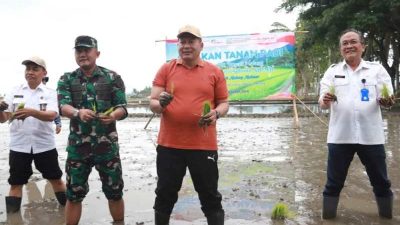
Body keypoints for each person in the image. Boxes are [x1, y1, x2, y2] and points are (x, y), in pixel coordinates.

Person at [150, 25, 229, 225]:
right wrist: (161, 103)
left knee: (210, 195)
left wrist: (216, 113)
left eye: (191, 41)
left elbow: (224, 103)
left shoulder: (214, 71)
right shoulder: (166, 69)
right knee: (165, 193)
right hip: (169, 145)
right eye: (182, 42)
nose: (186, 46)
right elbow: (153, 104)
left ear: (200, 45)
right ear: (178, 45)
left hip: (203, 146)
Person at [319, 28, 395, 219]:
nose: (349, 46)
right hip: (339, 137)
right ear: (340, 49)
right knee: (333, 183)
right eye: (344, 43)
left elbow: (386, 98)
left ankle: (386, 218)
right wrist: (325, 100)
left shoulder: (376, 70)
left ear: (363, 46)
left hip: (371, 136)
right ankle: (328, 218)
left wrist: (386, 101)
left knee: (381, 182)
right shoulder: (332, 71)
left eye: (353, 42)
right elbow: (322, 102)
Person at [57, 35, 128, 225]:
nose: (82, 54)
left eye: (86, 50)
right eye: (78, 51)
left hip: (107, 148)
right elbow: (63, 106)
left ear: (97, 53)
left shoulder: (112, 77)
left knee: (114, 192)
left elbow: (122, 106)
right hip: (78, 148)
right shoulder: (67, 79)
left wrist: (113, 116)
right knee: (73, 194)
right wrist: (78, 112)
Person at [0, 56, 66, 213]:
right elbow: (4, 119)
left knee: (56, 179)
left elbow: (52, 115)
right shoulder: (14, 91)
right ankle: (13, 219)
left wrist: (31, 112)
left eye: (35, 69)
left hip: (44, 145)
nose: (30, 72)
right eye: (28, 69)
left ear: (44, 72)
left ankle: (67, 212)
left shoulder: (50, 93)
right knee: (15, 183)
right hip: (19, 146)